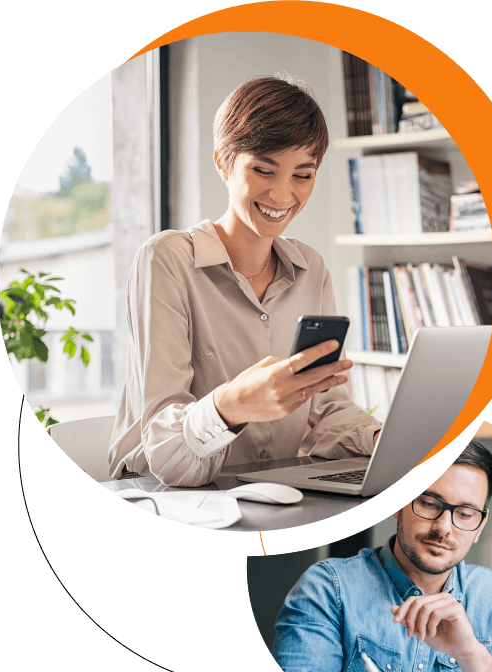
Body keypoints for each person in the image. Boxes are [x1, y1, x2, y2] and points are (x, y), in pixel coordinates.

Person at [108, 74, 382, 486]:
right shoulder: (166, 259)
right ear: (223, 161)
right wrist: (233, 405)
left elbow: (328, 409)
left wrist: (383, 438)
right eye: (264, 170)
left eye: (302, 175)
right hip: (160, 495)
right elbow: (160, 443)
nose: (283, 195)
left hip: (265, 493)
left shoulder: (312, 268)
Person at [271, 440, 492, 672]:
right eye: (429, 503)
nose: (444, 528)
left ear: (479, 526)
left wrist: (470, 651)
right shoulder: (328, 586)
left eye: (465, 514)